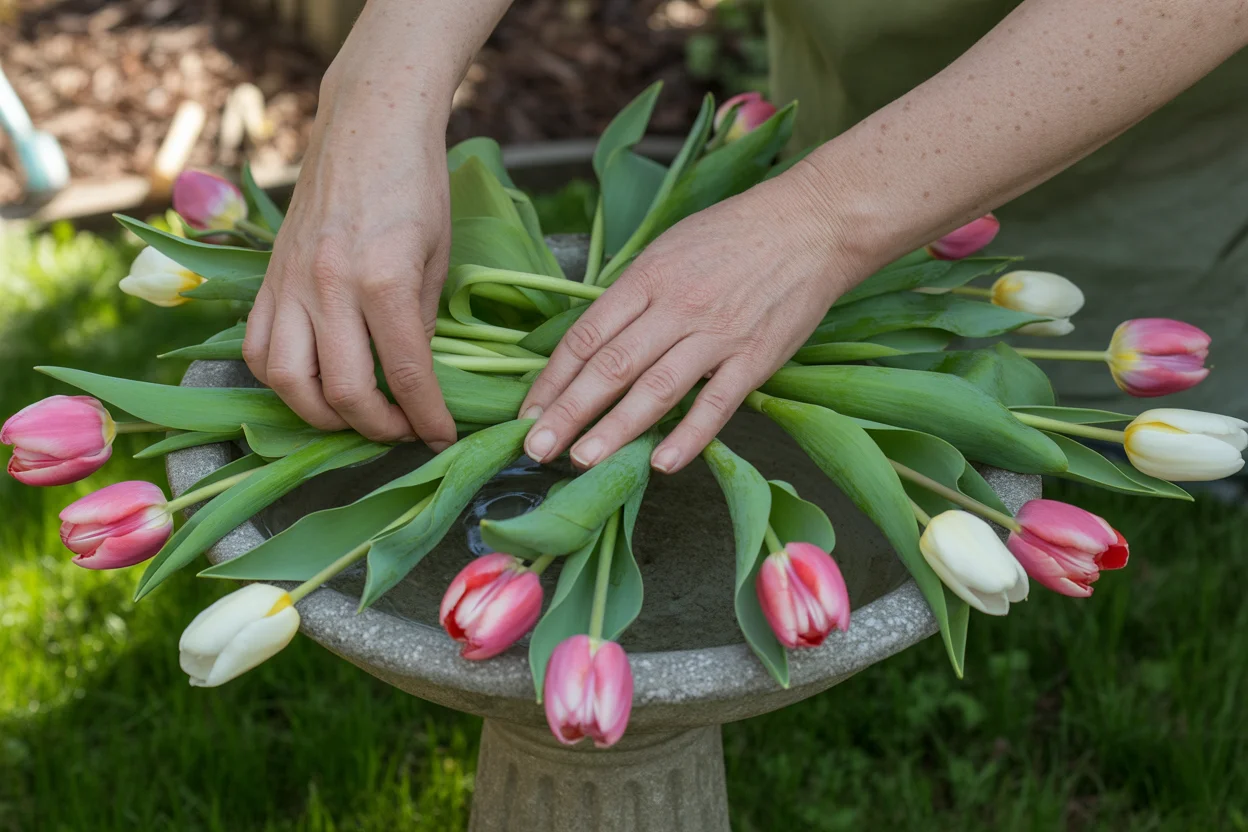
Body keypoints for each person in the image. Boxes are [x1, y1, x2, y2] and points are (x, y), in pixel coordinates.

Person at [241, 0, 1248, 477]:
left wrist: (821, 220)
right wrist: (377, 85)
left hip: (1146, 122)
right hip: (858, 62)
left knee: (1056, 412)